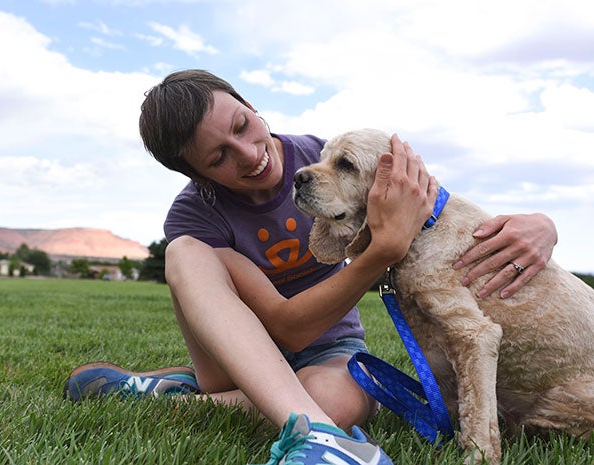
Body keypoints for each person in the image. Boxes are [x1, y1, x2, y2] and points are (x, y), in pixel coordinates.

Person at [63, 70, 558, 464]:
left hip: (333, 352)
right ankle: (317, 436)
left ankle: (169, 397)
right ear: (197, 174)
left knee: (339, 402)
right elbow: (286, 328)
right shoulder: (195, 213)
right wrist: (380, 252)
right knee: (185, 251)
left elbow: (432, 211)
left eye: (242, 126)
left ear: (252, 107)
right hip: (235, 357)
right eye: (219, 157)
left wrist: (542, 223)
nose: (250, 154)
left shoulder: (329, 157)